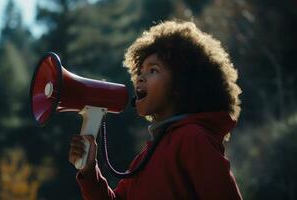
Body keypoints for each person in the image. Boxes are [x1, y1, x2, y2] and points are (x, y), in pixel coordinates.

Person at [69, 20, 243, 200]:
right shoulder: (149, 152)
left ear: (181, 85)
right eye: (140, 71)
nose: (140, 78)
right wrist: (90, 172)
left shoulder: (193, 138)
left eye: (153, 70)